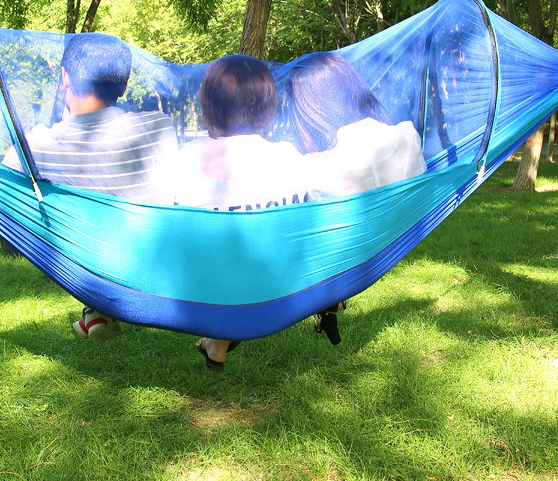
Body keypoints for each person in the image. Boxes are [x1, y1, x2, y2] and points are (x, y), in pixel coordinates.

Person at [2, 32, 178, 342]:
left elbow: (6, 215)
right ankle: (97, 306)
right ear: (124, 86)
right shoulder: (157, 126)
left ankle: (95, 303)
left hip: (79, 261)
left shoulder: (34, 146)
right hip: (149, 260)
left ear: (65, 77)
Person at [174, 54, 308, 372]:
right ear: (268, 105)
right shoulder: (289, 156)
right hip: (280, 287)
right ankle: (218, 341)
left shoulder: (190, 157)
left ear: (210, 106)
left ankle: (219, 337)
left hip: (206, 291)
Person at [287, 51, 426, 344]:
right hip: (395, 237)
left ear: (312, 108)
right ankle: (329, 306)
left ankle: (328, 302)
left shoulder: (317, 168)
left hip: (344, 255)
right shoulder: (408, 136)